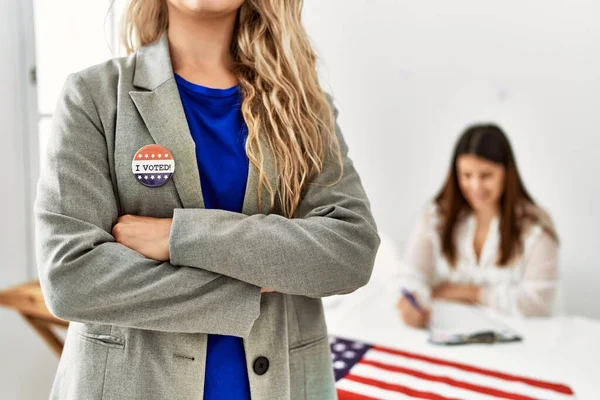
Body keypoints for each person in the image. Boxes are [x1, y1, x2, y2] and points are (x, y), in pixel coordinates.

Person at [33, 1, 380, 399]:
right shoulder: (93, 96)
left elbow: (350, 251)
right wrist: (253, 283)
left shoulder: (306, 108)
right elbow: (71, 279)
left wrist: (180, 236)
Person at [397, 124, 559, 328]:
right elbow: (411, 274)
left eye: (486, 176)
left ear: (507, 173)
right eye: (466, 175)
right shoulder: (435, 216)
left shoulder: (536, 226)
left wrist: (465, 292)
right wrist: (412, 303)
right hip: (448, 329)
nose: (475, 186)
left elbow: (537, 304)